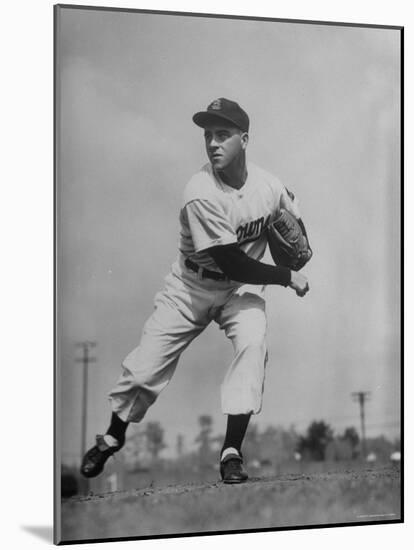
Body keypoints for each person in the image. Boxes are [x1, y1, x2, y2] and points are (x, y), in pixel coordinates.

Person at [81, 97, 310, 484]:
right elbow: (230, 261)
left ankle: (231, 452)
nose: (213, 143)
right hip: (191, 286)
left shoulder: (270, 186)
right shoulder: (199, 191)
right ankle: (111, 437)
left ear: (245, 139)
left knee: (254, 346)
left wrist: (300, 247)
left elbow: (297, 231)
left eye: (223, 134)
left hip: (242, 289)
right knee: (143, 371)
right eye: (208, 135)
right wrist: (286, 276)